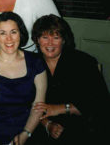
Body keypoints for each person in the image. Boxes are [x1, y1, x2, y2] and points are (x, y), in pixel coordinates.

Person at [31, 14, 110, 145]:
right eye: (44, 37)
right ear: (37, 40)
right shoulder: (31, 64)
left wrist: (60, 108)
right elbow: (24, 103)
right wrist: (47, 124)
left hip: (79, 124)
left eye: (56, 37)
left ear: (63, 40)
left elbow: (99, 103)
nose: (50, 43)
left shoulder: (83, 62)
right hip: (40, 125)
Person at [0, 12, 47, 145]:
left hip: (28, 131)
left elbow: (38, 106)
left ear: (20, 34)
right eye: (3, 33)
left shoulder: (36, 62)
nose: (9, 39)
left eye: (13, 32)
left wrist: (25, 134)